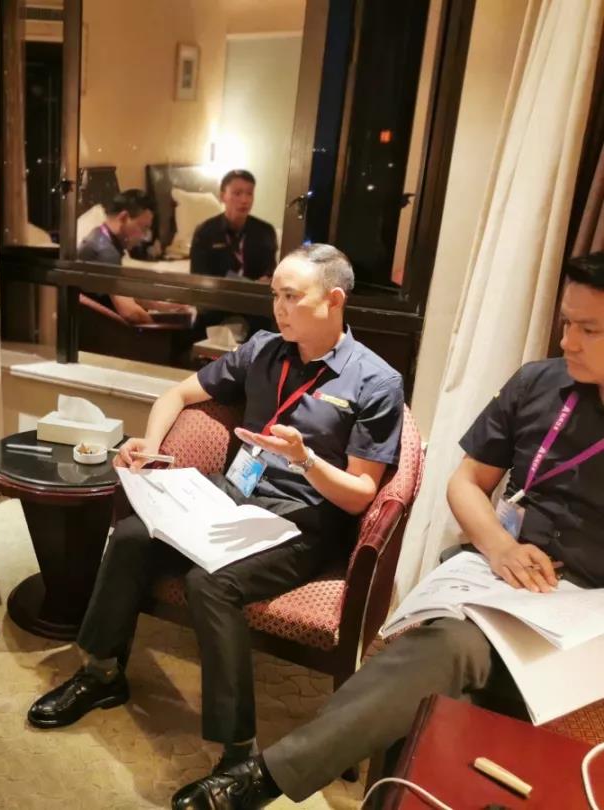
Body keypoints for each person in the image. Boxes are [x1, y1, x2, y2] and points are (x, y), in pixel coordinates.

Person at [171, 251, 604, 809]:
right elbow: (466, 481)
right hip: (508, 576)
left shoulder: (373, 377)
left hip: (588, 603)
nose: (567, 341)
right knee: (441, 651)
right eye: (566, 323)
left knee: (446, 680)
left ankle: (263, 778)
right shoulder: (538, 384)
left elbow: (363, 489)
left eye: (589, 329)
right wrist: (499, 547)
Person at [26, 244, 405, 793]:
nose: (278, 308)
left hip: (305, 519)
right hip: (233, 495)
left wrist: (306, 459)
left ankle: (237, 753)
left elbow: (360, 495)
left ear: (334, 300)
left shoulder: (375, 382)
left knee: (212, 584)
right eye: (274, 295)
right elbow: (177, 394)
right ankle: (102, 673)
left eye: (291, 297)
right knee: (131, 535)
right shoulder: (263, 350)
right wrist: (150, 445)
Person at [78, 189, 192, 325]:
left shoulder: (100, 235)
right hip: (100, 328)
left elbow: (124, 292)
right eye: (143, 228)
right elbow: (130, 313)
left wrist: (167, 306)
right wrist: (162, 330)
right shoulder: (106, 252)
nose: (144, 237)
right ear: (124, 218)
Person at [190, 169, 279, 336]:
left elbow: (270, 270)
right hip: (216, 304)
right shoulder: (206, 231)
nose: (244, 200)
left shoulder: (265, 231)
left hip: (254, 306)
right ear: (223, 196)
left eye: (249, 193)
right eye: (237, 193)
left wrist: (267, 280)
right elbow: (198, 277)